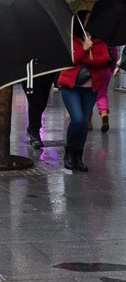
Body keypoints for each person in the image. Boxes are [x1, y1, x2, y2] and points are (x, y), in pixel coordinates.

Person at [56, 10, 110, 172]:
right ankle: (69, 152)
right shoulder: (71, 39)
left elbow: (104, 59)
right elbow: (70, 60)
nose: (91, 22)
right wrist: (85, 49)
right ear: (80, 22)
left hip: (90, 89)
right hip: (70, 87)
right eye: (87, 19)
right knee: (78, 119)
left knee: (84, 122)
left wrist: (87, 56)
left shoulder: (99, 39)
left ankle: (78, 157)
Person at [21, 71, 58, 149]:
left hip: (46, 71)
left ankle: (32, 127)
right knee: (35, 103)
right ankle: (34, 132)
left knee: (42, 103)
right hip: (30, 72)